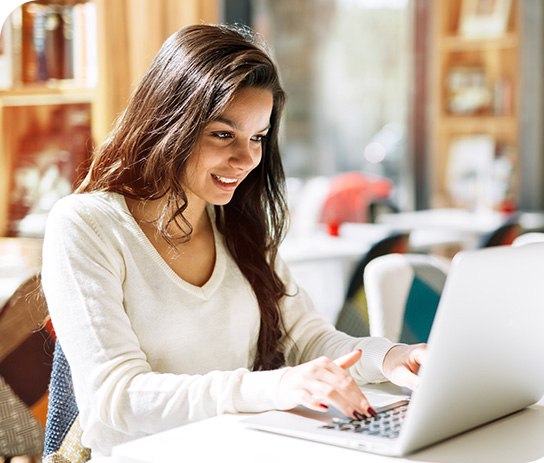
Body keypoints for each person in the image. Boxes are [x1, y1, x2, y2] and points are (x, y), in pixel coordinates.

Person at [41, 24, 426, 458]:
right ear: (170, 123)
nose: (247, 159)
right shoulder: (86, 225)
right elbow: (117, 396)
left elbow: (310, 340)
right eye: (224, 134)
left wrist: (392, 358)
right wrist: (274, 386)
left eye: (258, 137)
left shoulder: (238, 225)